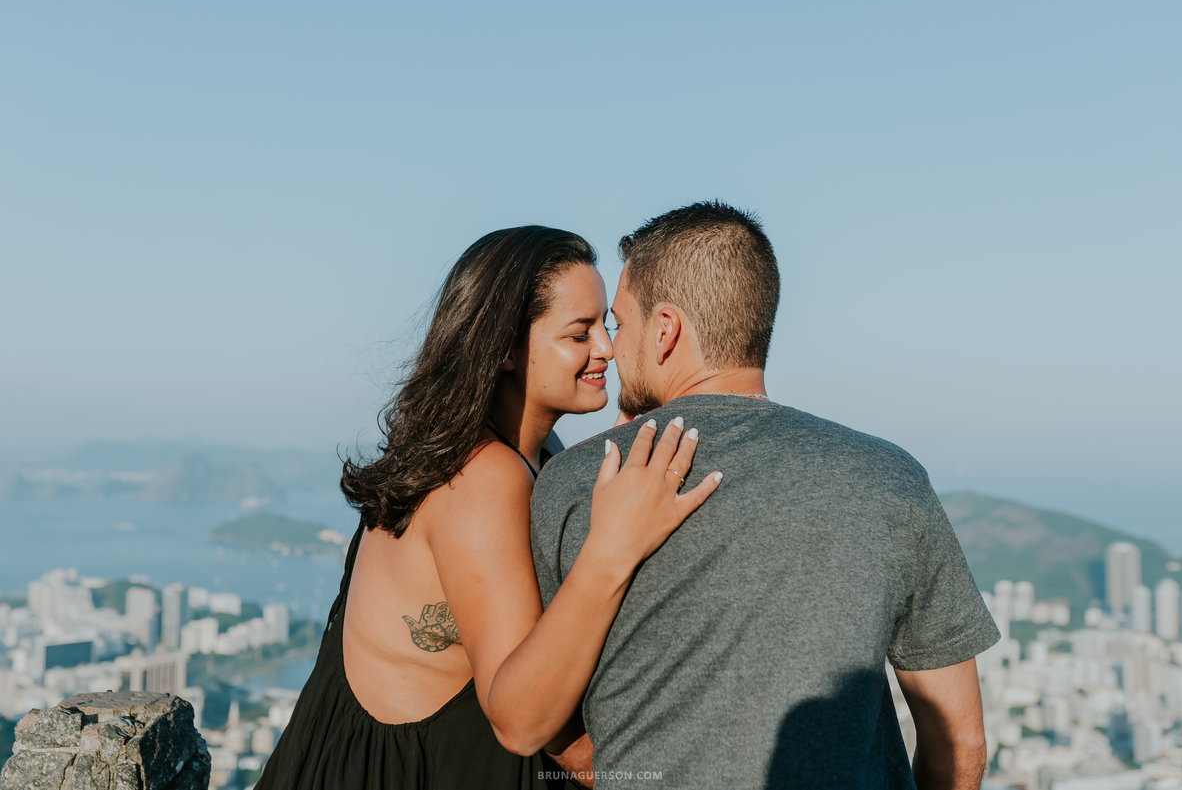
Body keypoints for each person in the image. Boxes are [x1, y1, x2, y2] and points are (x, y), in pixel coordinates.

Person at [530, 202, 1001, 789]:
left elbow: (556, 729)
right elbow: (960, 740)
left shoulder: (579, 482)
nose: (611, 347)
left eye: (621, 324)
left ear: (666, 330)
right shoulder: (889, 477)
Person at [258, 226, 721, 789]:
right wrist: (612, 547)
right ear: (504, 348)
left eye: (608, 324)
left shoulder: (526, 454)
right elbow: (524, 723)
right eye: (581, 332)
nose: (607, 347)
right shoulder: (482, 477)